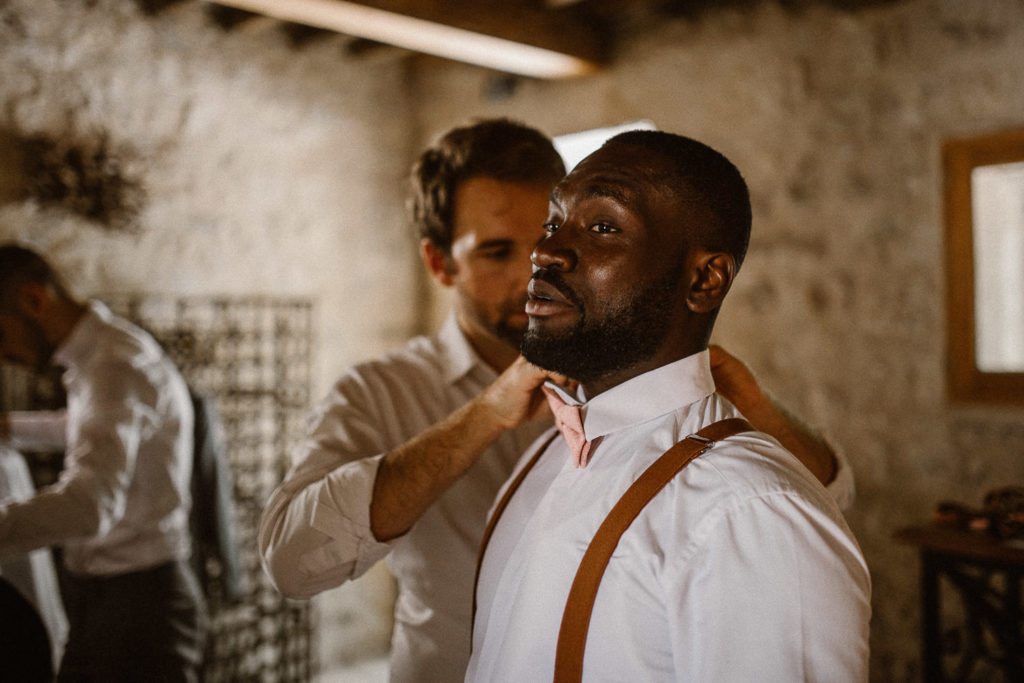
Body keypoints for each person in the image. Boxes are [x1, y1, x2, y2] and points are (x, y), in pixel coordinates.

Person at [257, 118, 853, 682]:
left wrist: (744, 418)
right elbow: (290, 558)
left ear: (704, 280)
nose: (538, 261)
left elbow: (789, 507)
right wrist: (485, 416)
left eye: (597, 227)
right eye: (498, 250)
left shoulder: (741, 495)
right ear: (440, 263)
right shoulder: (390, 397)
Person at [466, 130, 871, 681]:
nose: (544, 251)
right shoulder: (540, 458)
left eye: (604, 226)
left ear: (705, 279)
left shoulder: (752, 511)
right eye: (553, 222)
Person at [0, 244, 206, 682]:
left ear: (34, 301)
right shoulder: (104, 356)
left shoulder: (114, 367)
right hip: (114, 599)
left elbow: (89, 506)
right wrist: (8, 427)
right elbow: (84, 428)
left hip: (141, 609)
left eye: (0, 335)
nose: (3, 356)